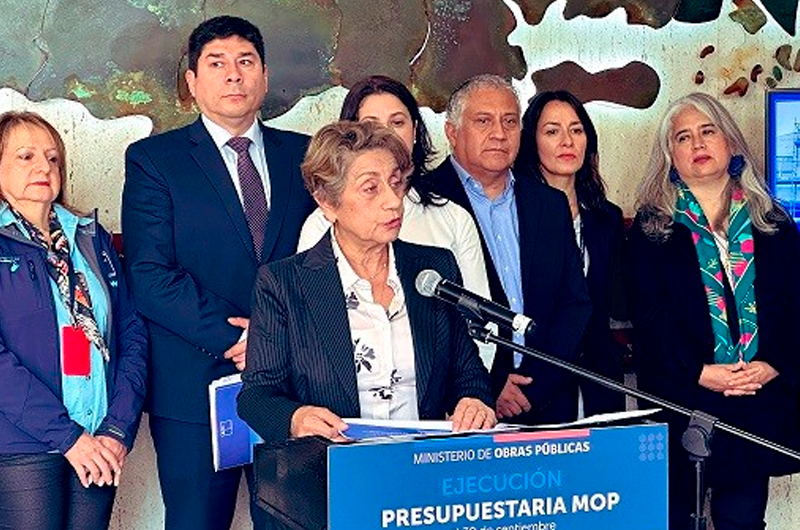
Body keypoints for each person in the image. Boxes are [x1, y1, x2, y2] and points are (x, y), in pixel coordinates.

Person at [122, 15, 314, 530]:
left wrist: (276, 341)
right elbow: (151, 275)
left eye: (246, 61)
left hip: (294, 386)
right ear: (192, 81)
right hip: (194, 388)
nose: (233, 74)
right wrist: (240, 339)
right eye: (216, 63)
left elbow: (326, 263)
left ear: (265, 77)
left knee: (295, 522)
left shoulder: (305, 156)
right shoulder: (154, 161)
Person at [239, 120, 496, 453]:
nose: (393, 201)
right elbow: (257, 395)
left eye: (395, 183)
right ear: (327, 202)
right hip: (329, 468)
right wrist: (295, 418)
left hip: (422, 466)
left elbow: (468, 372)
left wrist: (474, 400)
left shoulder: (433, 268)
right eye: (371, 188)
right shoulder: (284, 284)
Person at [625, 92, 800, 530]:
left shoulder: (773, 223)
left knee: (743, 522)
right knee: (674, 521)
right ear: (671, 156)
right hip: (683, 399)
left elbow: (795, 306)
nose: (697, 144)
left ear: (731, 143)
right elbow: (648, 318)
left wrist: (772, 364)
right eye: (683, 137)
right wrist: (699, 372)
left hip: (755, 400)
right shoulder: (652, 228)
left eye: (708, 131)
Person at [0, 111, 147, 530]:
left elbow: (131, 333)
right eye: (25, 157)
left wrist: (117, 428)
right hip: (22, 444)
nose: (44, 167)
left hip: (99, 436)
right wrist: (68, 438)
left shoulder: (90, 237)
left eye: (52, 158)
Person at [431, 75, 591, 425]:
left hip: (548, 403)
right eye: (483, 121)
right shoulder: (423, 199)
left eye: (509, 121)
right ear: (452, 132)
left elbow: (573, 304)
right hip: (463, 409)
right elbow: (429, 315)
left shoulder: (549, 204)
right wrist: (490, 381)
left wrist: (536, 386)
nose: (499, 134)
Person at [298, 75, 490, 302]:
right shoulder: (321, 224)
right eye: (371, 125)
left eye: (397, 123)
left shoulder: (454, 219)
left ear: (415, 130)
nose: (386, 135)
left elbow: (478, 316)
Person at [516, 90, 627, 417]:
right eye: (552, 131)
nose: (567, 141)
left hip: (600, 381)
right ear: (531, 142)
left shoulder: (607, 217)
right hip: (536, 384)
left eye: (576, 130)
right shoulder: (515, 214)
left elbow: (612, 304)